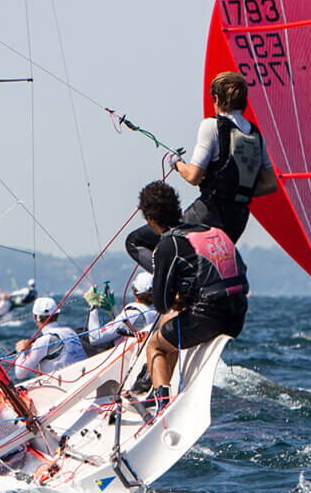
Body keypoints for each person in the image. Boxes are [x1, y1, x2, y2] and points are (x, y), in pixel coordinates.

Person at [143, 199, 249, 409]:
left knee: (155, 344)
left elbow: (161, 304)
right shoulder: (213, 231)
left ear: (151, 220)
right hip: (237, 315)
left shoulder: (168, 244)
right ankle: (158, 388)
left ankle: (161, 402)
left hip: (210, 319)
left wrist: (177, 299)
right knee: (169, 325)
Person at [174, 71, 278, 242]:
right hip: (238, 218)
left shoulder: (211, 125)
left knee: (146, 240)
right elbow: (270, 184)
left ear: (216, 97)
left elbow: (193, 176)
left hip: (209, 211)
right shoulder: (255, 134)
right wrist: (236, 190)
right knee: (214, 261)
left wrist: (176, 162)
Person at [10, 296, 88, 379]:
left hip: (67, 383)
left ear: (36, 317)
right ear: (57, 314)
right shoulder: (70, 331)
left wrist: (20, 351)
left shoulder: (42, 341)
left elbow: (20, 374)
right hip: (83, 375)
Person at [85, 269, 159, 353]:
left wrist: (93, 307)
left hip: (123, 359)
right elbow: (125, 327)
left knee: (80, 336)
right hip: (142, 353)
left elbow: (95, 338)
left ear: (134, 291)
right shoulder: (159, 311)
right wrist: (113, 311)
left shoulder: (133, 314)